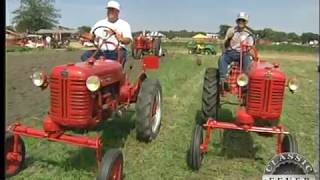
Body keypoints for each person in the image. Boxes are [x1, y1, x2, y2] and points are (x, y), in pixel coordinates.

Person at [80, 0, 132, 65]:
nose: (110, 11)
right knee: (85, 55)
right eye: (109, 9)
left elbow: (128, 40)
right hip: (101, 51)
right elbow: (92, 36)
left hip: (117, 51)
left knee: (119, 57)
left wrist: (122, 39)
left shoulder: (124, 24)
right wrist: (87, 38)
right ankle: (95, 71)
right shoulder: (99, 23)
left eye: (112, 10)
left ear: (118, 11)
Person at [218, 12, 254, 88]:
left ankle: (244, 81)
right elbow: (225, 45)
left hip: (243, 54)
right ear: (237, 21)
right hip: (231, 52)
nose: (241, 22)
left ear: (246, 22)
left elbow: (251, 48)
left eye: (243, 20)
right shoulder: (231, 30)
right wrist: (229, 39)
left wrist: (252, 54)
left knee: (248, 60)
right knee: (222, 59)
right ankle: (223, 80)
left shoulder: (249, 34)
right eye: (239, 20)